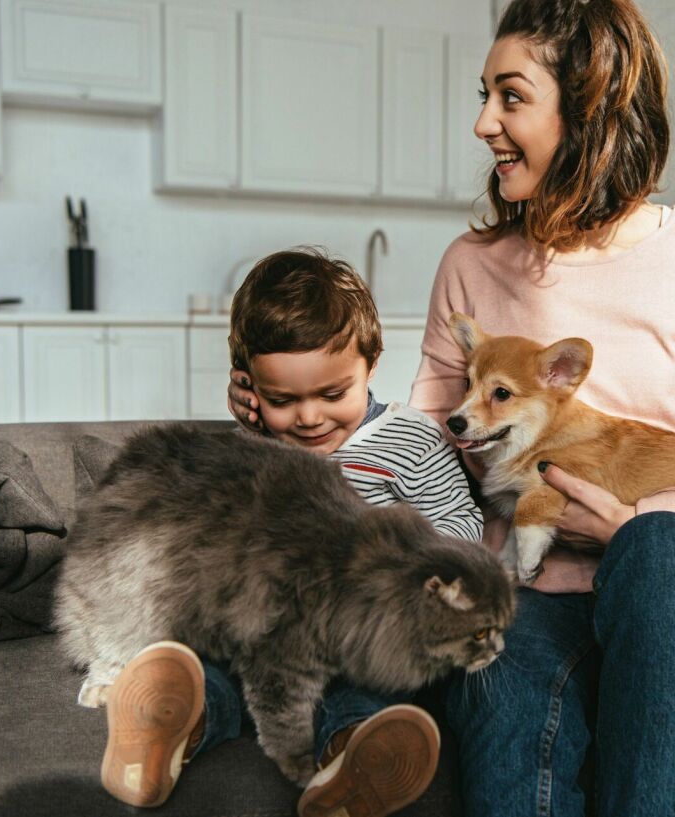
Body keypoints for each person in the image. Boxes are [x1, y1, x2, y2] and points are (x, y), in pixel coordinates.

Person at [229, 1, 675, 814]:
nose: (483, 123)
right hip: (528, 595)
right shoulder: (470, 264)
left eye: (511, 97)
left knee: (661, 545)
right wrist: (288, 427)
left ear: (590, 109)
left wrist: (648, 516)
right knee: (496, 658)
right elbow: (419, 445)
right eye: (483, 95)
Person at [102, 248, 481, 811]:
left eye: (333, 394)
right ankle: (168, 726)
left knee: (362, 691)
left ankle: (351, 764)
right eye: (282, 400)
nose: (308, 418)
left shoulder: (410, 441)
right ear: (249, 385)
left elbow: (464, 525)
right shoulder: (260, 444)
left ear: (372, 364)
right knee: (216, 672)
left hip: (360, 633)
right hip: (264, 626)